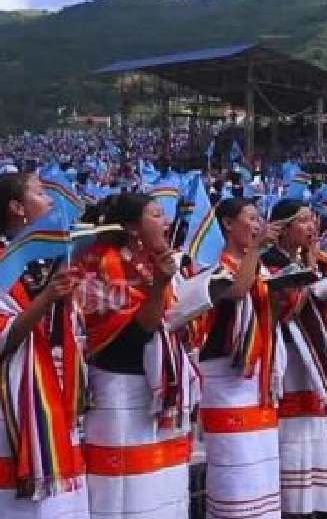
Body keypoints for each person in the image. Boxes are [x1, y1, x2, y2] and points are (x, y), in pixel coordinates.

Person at [79, 192, 198, 518]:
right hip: (120, 390)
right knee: (126, 490)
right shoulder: (104, 262)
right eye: (157, 215)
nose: (167, 222)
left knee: (163, 483)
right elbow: (137, 329)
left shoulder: (161, 260)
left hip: (162, 388)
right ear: (133, 227)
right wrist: (160, 286)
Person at [0, 173, 89, 519]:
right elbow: (6, 335)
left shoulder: (53, 259)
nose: (51, 201)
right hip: (17, 397)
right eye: (40, 193)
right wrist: (50, 295)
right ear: (17, 208)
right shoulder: (6, 263)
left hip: (59, 391)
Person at [193, 197, 284, 519]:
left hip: (258, 373)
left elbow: (270, 319)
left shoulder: (257, 266)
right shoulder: (212, 263)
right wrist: (257, 251)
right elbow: (235, 292)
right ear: (228, 224)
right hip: (224, 373)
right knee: (235, 457)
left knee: (260, 456)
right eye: (251, 218)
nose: (258, 225)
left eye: (260, 219)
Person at [263, 200, 327, 518]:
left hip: (313, 353)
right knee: (292, 431)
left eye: (312, 221)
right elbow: (284, 310)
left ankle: (314, 501)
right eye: (304, 221)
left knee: (312, 425)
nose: (312, 228)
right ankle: (292, 504)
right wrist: (311, 281)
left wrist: (316, 272)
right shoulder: (270, 262)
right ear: (283, 228)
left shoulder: (314, 259)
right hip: (289, 354)